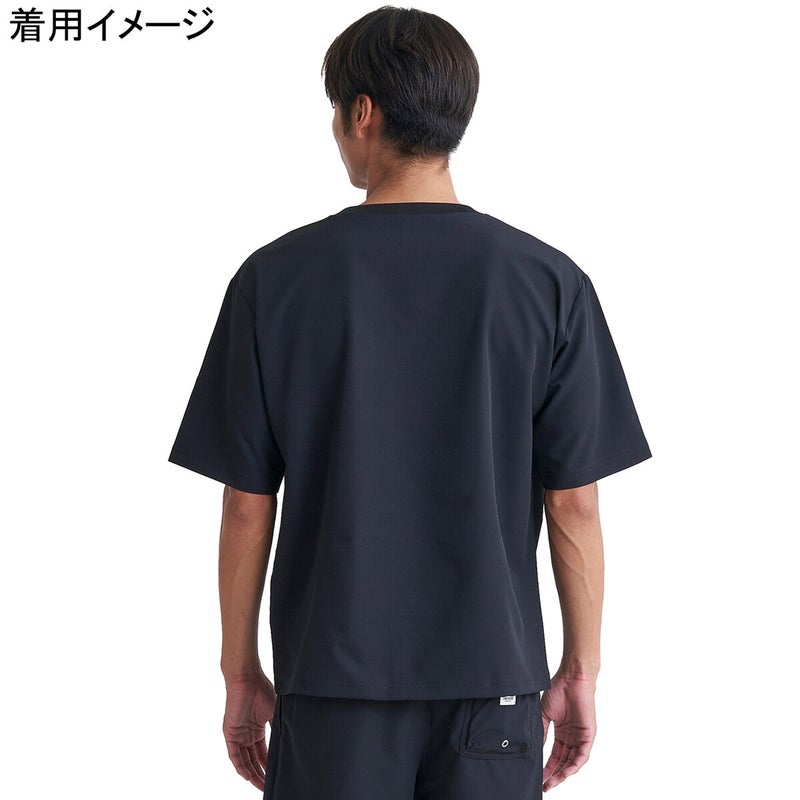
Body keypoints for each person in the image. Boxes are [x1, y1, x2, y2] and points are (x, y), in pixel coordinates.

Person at [167, 6, 652, 799]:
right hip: (494, 684)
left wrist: (239, 669)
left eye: (335, 111)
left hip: (331, 682)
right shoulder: (548, 283)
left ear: (362, 113)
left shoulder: (274, 280)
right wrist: (580, 669)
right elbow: (575, 502)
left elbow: (248, 504)